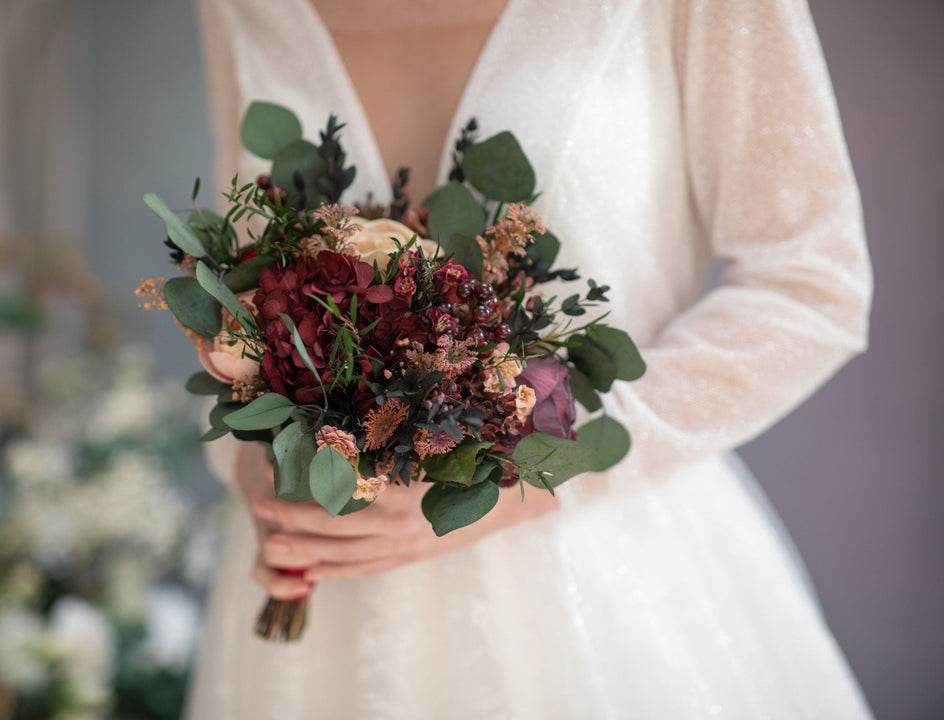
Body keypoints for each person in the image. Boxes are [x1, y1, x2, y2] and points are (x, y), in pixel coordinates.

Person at [185, 1, 875, 718]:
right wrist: (258, 458)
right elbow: (240, 287)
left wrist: (535, 471)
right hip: (322, 600)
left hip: (598, 585)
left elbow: (810, 285)